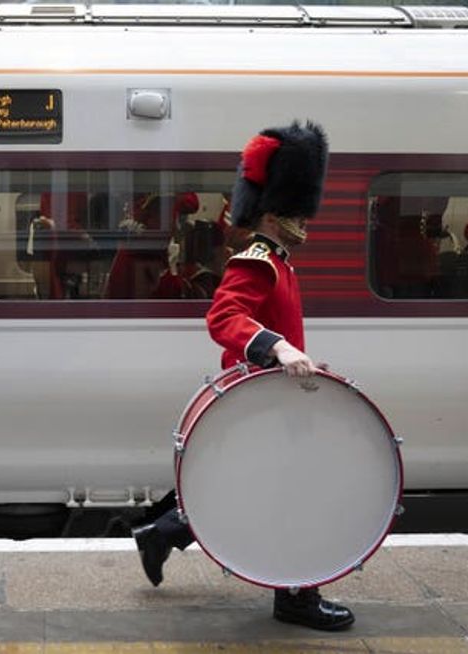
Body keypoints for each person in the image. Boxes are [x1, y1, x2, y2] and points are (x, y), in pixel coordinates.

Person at [131, 120, 355, 631]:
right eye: (298, 212)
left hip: (272, 395)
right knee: (294, 492)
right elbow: (224, 318)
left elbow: (278, 328)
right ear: (275, 214)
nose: (305, 220)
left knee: (248, 488)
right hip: (262, 400)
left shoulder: (280, 262)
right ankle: (297, 597)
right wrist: (277, 348)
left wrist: (299, 358)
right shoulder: (258, 261)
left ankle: (162, 532)